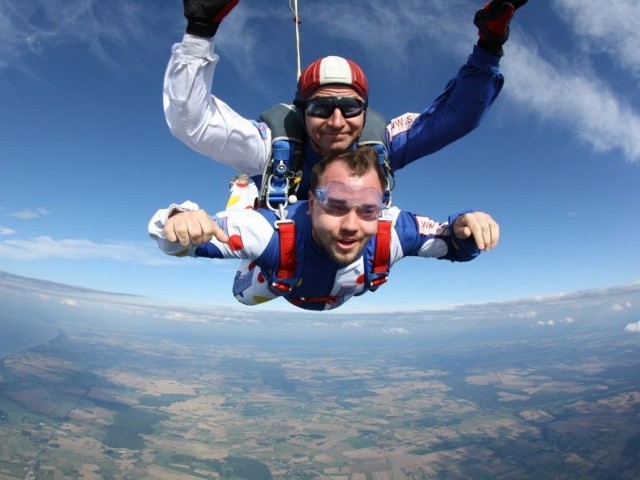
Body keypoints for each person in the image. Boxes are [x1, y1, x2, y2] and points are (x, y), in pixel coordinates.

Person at [164, 0, 527, 200]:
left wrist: (489, 46)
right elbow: (191, 123)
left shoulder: (378, 145)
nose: (337, 121)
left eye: (350, 108)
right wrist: (199, 33)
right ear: (302, 112)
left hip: (348, 263)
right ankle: (243, 195)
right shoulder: (272, 148)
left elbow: (456, 117)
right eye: (321, 108)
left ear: (364, 111)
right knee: (248, 289)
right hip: (280, 263)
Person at [148, 147, 500, 311]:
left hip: (318, 289)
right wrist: (180, 219)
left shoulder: (393, 230)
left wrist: (466, 224)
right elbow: (178, 242)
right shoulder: (269, 232)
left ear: (383, 209)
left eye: (367, 209)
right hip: (277, 277)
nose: (350, 225)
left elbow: (455, 244)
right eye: (335, 206)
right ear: (312, 204)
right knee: (242, 297)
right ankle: (243, 192)